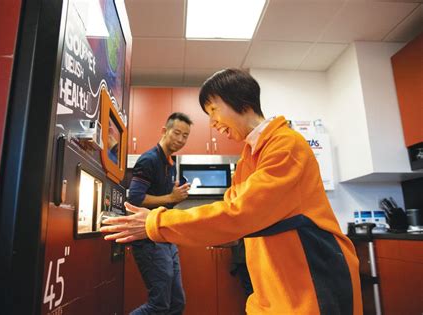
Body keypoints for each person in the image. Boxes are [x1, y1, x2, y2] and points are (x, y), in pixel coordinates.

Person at [101, 69, 362, 314]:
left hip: (312, 280)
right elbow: (231, 211)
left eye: (214, 110)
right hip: (274, 288)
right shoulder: (249, 157)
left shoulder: (286, 145)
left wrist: (155, 222)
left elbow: (239, 213)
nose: (213, 122)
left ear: (242, 101)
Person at [126, 112, 192, 315]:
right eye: (177, 133)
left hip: (165, 236)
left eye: (185, 135)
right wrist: (171, 198)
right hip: (149, 239)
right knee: (159, 305)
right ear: (164, 131)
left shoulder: (169, 163)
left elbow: (164, 197)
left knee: (177, 303)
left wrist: (175, 197)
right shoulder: (149, 160)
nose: (181, 140)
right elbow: (135, 199)